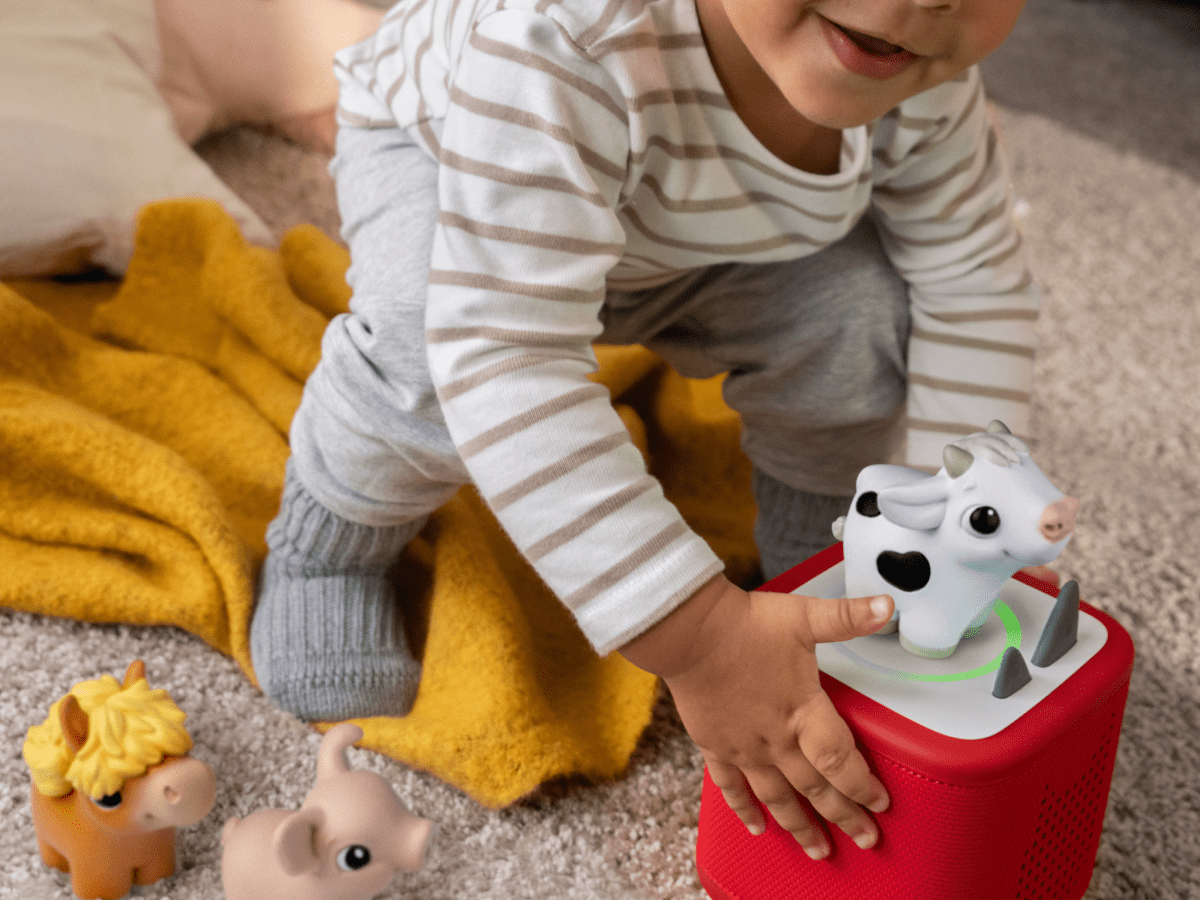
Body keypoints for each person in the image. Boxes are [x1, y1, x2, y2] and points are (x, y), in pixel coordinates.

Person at [251, 0, 1036, 861]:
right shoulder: (565, 35)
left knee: (856, 317)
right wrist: (700, 638)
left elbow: (973, 279)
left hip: (685, 226)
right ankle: (328, 544)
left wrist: (963, 519)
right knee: (429, 352)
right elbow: (504, 353)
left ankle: (818, 551)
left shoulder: (919, 66)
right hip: (456, 157)